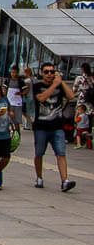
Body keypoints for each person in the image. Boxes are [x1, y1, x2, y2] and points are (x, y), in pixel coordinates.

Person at [31, 62, 76, 191]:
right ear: (41, 73)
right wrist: (54, 85)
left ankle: (64, 181)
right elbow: (41, 98)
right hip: (41, 127)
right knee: (39, 153)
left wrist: (60, 82)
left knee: (61, 153)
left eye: (52, 72)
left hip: (57, 127)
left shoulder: (59, 86)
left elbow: (71, 96)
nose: (49, 74)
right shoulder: (37, 86)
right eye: (46, 72)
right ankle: (39, 177)